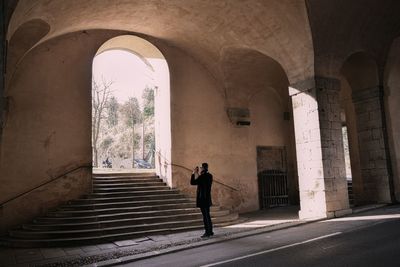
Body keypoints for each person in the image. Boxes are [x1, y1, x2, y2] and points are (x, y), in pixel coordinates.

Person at [190, 162, 214, 238]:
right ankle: (210, 231)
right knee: (208, 216)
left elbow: (192, 182)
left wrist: (194, 173)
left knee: (205, 216)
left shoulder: (202, 177)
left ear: (203, 168)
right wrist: (198, 174)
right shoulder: (210, 176)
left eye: (201, 168)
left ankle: (207, 232)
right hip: (207, 199)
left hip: (202, 199)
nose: (200, 169)